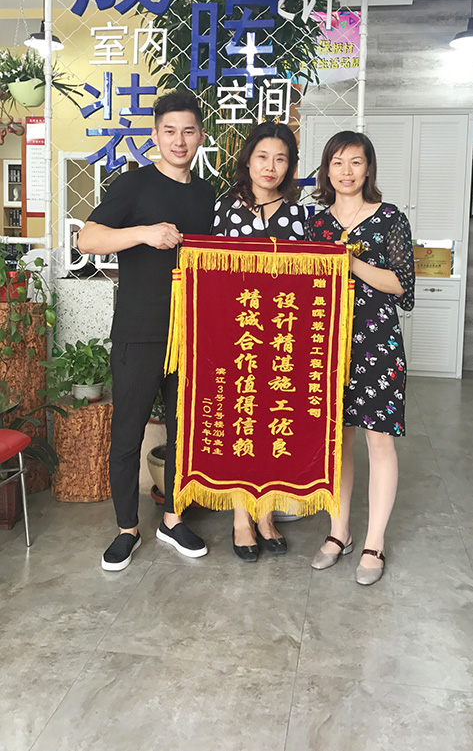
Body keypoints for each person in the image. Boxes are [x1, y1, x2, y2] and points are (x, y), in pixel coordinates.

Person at [78, 90, 215, 571]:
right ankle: (126, 529)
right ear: (155, 135)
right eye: (170, 131)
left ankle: (173, 519)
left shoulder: (207, 194)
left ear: (201, 136)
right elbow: (87, 238)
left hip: (191, 335)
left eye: (188, 131)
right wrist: (144, 233)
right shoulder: (134, 185)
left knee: (184, 432)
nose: (179, 140)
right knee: (127, 432)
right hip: (138, 332)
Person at [306, 131, 414, 585]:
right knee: (338, 441)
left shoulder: (389, 218)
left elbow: (401, 284)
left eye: (355, 162)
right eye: (337, 162)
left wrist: (348, 262)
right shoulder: (316, 225)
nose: (346, 171)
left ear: (368, 168)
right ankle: (339, 532)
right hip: (328, 344)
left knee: (379, 441)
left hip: (377, 344)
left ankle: (374, 543)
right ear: (326, 170)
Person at [212, 121, 308, 561]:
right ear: (248, 160)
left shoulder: (299, 216)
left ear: (290, 167)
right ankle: (240, 518)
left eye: (281, 159)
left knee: (271, 422)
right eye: (263, 156)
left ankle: (266, 514)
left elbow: (308, 280)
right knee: (240, 423)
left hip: (281, 337)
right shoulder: (224, 209)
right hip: (236, 334)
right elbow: (209, 273)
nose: (270, 166)